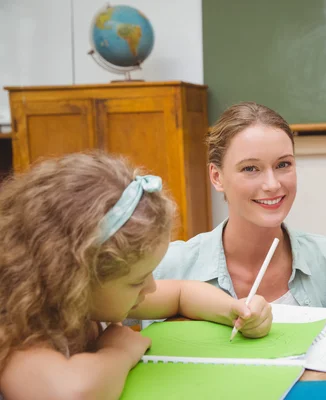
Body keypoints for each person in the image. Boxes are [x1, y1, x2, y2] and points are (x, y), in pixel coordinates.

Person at [0, 152, 272, 399]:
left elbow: (181, 293)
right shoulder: (18, 332)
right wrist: (118, 351)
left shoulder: (87, 295)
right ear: (74, 278)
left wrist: (235, 310)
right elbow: (71, 394)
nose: (151, 288)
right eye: (137, 280)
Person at [153, 102, 326, 308]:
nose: (272, 185)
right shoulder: (169, 267)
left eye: (283, 164)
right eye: (250, 168)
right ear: (217, 177)